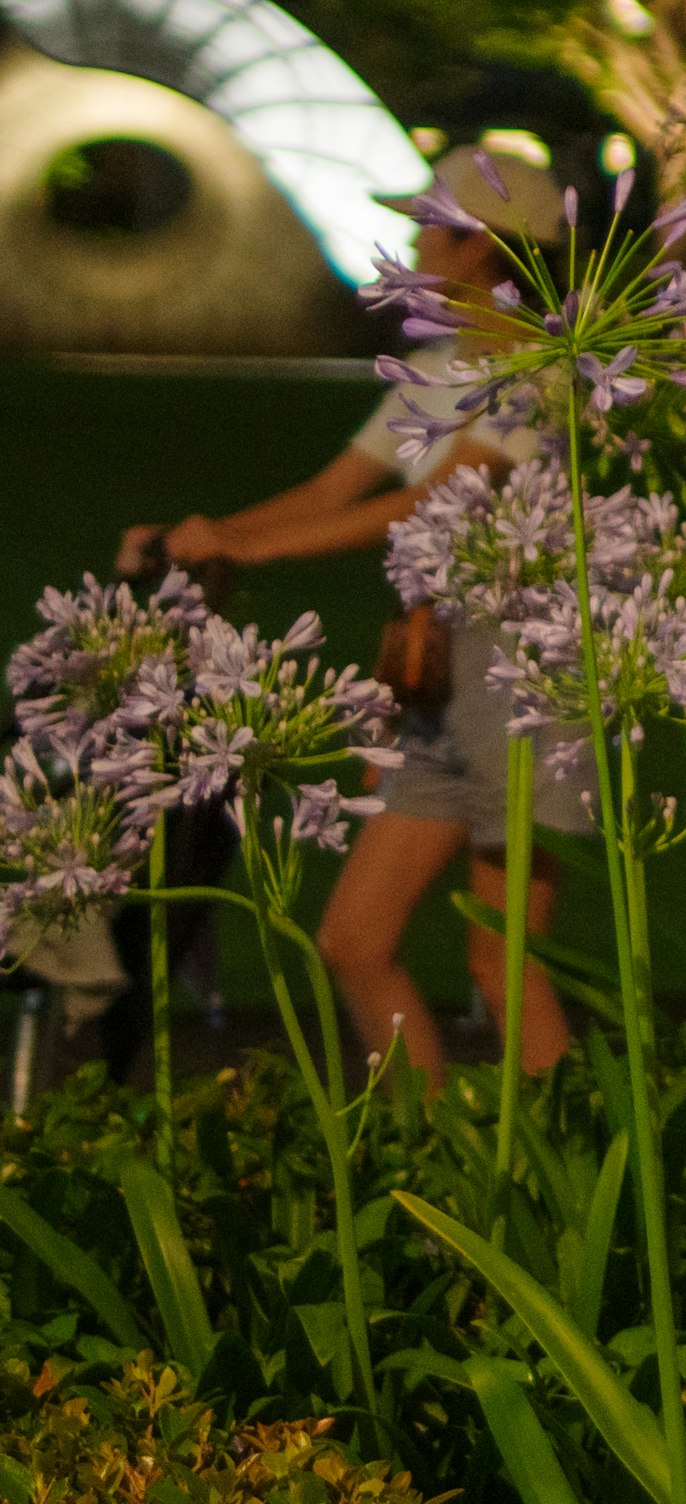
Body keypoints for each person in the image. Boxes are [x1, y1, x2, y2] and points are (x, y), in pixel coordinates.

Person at [124, 149, 589, 1091]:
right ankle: (428, 1161)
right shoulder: (437, 368)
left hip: (525, 680)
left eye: (431, 225)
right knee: (353, 939)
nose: (416, 241)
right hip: (433, 678)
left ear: (481, 248)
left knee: (501, 962)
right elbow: (333, 489)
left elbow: (447, 493)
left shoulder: (550, 373)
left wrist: (252, 552)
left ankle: (574, 1190)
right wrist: (204, 535)